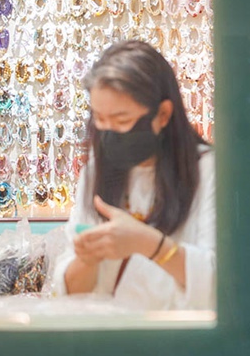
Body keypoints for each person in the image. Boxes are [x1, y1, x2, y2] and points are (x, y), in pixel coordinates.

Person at [53, 40, 215, 310]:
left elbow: (220, 283)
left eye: (122, 120)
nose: (108, 133)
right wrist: (87, 257)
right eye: (100, 119)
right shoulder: (96, 172)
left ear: (162, 114)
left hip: (182, 342)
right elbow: (72, 290)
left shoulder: (207, 170)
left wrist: (148, 244)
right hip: (111, 338)